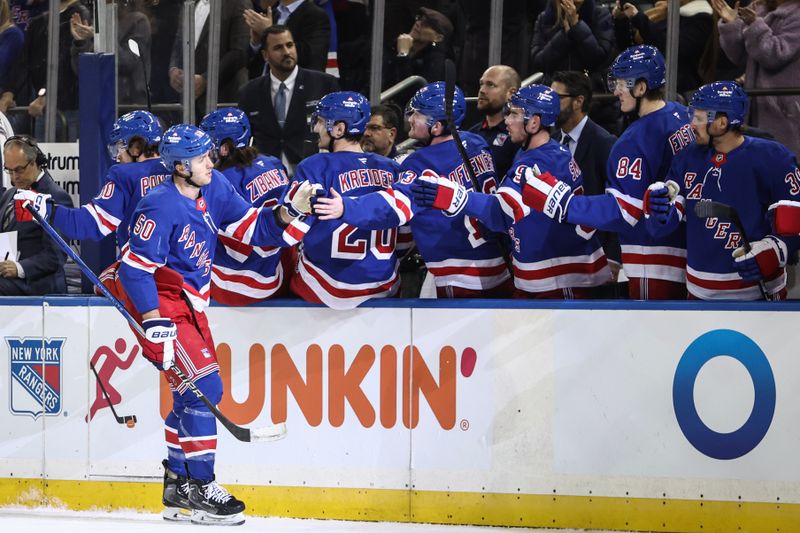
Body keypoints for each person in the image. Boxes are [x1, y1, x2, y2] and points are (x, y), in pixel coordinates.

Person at [17, 124, 311, 524]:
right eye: (203, 158)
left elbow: (251, 229)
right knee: (206, 386)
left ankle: (177, 484)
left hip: (189, 298)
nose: (212, 161)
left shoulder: (216, 185)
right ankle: (203, 486)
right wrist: (154, 320)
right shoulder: (159, 204)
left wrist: (289, 211)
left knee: (187, 390)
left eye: (211, 155)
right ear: (180, 166)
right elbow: (136, 270)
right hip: (156, 297)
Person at [522, 45, 695, 300]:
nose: (615, 91)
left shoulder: (632, 141)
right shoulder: (681, 115)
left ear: (641, 87)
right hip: (688, 250)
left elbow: (624, 211)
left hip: (654, 260)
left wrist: (563, 204)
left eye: (622, 83)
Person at [314, 82, 512, 299]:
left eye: (416, 114)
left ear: (436, 126)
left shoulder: (420, 163)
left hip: (459, 273)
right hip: (500, 264)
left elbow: (393, 207)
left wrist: (347, 206)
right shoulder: (477, 143)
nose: (410, 118)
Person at [411, 85, 611, 298]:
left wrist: (455, 197)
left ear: (534, 122)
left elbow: (503, 212)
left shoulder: (536, 163)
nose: (506, 120)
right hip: (565, 266)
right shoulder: (552, 150)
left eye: (515, 114)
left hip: (560, 275)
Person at [643, 81, 800, 300]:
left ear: (721, 123)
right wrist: (657, 211)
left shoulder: (774, 158)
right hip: (698, 293)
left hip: (757, 296)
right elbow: (664, 221)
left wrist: (774, 250)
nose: (691, 124)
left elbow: (793, 223)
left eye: (698, 118)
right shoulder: (686, 158)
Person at [278, 91, 402, 309]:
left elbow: (290, 228)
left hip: (325, 288)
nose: (316, 128)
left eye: (321, 121)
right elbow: (407, 231)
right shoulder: (391, 168)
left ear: (339, 129)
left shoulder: (314, 166)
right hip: (384, 285)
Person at [14, 111, 166, 255]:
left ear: (136, 147)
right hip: (184, 277)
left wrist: (46, 209)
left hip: (145, 275)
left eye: (120, 147)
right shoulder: (180, 172)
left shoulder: (124, 174)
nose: (117, 157)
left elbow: (91, 223)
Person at [199, 107, 292, 305]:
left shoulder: (218, 181)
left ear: (224, 148)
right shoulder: (274, 163)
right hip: (277, 273)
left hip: (236, 283)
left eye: (207, 147)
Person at [551, 70, 621, 295]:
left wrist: (613, 257)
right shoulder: (550, 141)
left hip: (595, 256)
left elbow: (618, 201)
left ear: (578, 101)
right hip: (559, 254)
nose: (551, 106)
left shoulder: (604, 143)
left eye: (557, 99)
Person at [238, 25, 339, 176]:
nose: (286, 52)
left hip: (313, 173)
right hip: (265, 176)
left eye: (290, 45)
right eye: (278, 47)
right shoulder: (248, 92)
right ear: (265, 55)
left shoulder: (324, 84)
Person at [711, 0, 800, 157]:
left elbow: (774, 54)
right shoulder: (757, 9)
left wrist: (754, 25)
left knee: (781, 165)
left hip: (785, 112)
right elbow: (738, 56)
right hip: (754, 105)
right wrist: (731, 24)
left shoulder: (796, 15)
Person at [0, 135, 72, 295]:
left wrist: (19, 268)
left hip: (38, 284)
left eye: (19, 170)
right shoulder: (9, 195)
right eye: (9, 170)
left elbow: (55, 256)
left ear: (35, 162)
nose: (13, 177)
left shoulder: (55, 197)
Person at [168, 0, 249, 117]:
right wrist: (173, 68)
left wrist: (206, 79)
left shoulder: (238, 3)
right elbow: (179, 41)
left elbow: (239, 52)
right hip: (189, 102)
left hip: (224, 99)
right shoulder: (190, 3)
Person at [613, 0, 713, 93]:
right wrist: (621, 21)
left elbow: (673, 49)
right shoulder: (660, 13)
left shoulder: (700, 18)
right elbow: (630, 49)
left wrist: (638, 18)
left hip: (675, 87)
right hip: (644, 82)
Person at [243, 0, 331, 77]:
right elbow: (252, 64)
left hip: (298, 88)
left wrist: (269, 32)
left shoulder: (315, 15)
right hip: (263, 88)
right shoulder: (272, 13)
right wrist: (256, 43)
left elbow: (310, 57)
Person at [469, 65, 521, 180]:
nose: (482, 90)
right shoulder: (472, 133)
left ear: (511, 94)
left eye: (490, 85)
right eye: (481, 84)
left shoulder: (518, 137)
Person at [387, 7, 454, 87]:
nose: (418, 23)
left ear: (438, 38)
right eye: (419, 18)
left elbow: (410, 93)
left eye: (426, 24)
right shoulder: (397, 44)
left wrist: (403, 54)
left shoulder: (437, 61)